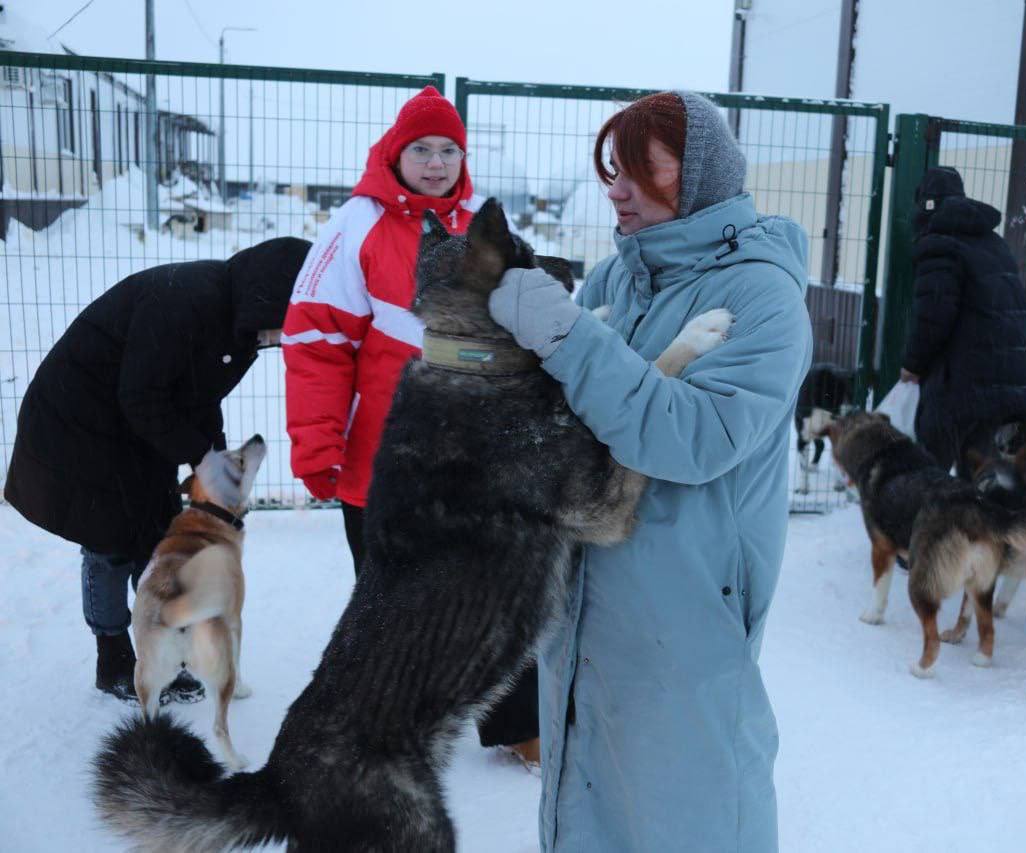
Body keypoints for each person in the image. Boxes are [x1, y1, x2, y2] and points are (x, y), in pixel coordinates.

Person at [488, 91, 812, 851]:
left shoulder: (764, 297)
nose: (617, 188)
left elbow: (690, 437)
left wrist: (566, 337)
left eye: (640, 169)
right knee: (589, 814)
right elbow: (561, 422)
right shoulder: (616, 279)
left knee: (686, 819)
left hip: (685, 623)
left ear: (696, 173)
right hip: (582, 616)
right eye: (612, 170)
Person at [281, 85, 539, 767]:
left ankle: (521, 725)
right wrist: (317, 443)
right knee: (390, 604)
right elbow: (316, 342)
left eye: (448, 149)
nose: (435, 162)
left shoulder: (484, 228)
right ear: (395, 154)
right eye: (421, 149)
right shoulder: (355, 226)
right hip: (383, 464)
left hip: (471, 460)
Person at [3, 237, 311, 702]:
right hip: (79, 426)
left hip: (132, 429)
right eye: (287, 323)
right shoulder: (184, 304)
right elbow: (142, 397)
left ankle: (162, 651)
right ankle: (113, 659)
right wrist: (203, 458)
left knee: (155, 537)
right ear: (270, 297)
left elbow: (200, 396)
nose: (284, 337)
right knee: (109, 543)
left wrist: (215, 459)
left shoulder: (238, 325)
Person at [899, 166, 1026, 477]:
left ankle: (927, 520)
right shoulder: (992, 241)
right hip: (1008, 376)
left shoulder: (938, 243)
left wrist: (913, 364)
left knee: (928, 467)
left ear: (925, 205)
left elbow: (933, 315)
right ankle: (977, 520)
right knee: (979, 470)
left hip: (965, 379)